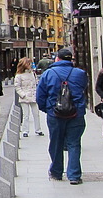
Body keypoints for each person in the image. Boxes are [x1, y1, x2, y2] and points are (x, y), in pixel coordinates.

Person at [36, 48, 88, 185]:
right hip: (76, 114)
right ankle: (74, 175)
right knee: (74, 143)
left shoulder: (48, 74)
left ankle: (56, 172)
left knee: (56, 143)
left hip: (55, 114)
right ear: (70, 60)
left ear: (57, 59)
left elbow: (40, 95)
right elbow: (83, 90)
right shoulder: (80, 73)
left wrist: (47, 109)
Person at [14, 56, 43, 138]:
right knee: (26, 115)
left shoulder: (32, 73)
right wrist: (23, 94)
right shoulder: (19, 75)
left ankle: (38, 129)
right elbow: (17, 87)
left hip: (33, 95)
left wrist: (36, 93)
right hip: (24, 96)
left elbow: (36, 83)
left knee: (36, 114)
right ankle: (25, 131)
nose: (30, 65)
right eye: (29, 63)